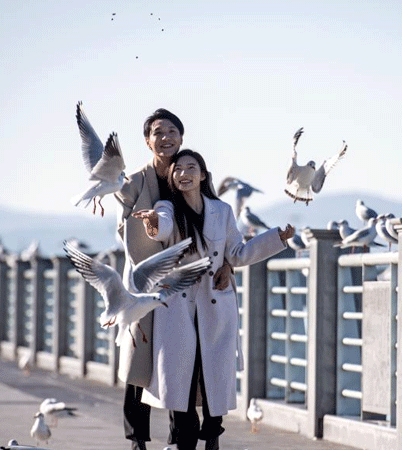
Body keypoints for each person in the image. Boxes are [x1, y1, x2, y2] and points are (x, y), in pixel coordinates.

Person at [132, 149, 294, 450]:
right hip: (178, 306)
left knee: (214, 377)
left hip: (215, 302)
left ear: (203, 175)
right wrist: (152, 221)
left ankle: (213, 432)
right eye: (177, 169)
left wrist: (276, 238)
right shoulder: (166, 207)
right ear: (171, 177)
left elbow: (238, 253)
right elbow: (161, 228)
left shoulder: (222, 211)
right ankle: (186, 439)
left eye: (190, 168)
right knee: (182, 380)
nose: (183, 173)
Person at [114, 109, 233, 450]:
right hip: (146, 283)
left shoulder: (189, 171)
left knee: (182, 361)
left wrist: (228, 264)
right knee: (140, 361)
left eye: (172, 131)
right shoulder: (133, 183)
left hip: (188, 288)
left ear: (181, 137)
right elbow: (125, 232)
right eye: (158, 132)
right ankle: (137, 438)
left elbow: (216, 231)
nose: (165, 137)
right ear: (147, 141)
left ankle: (180, 439)